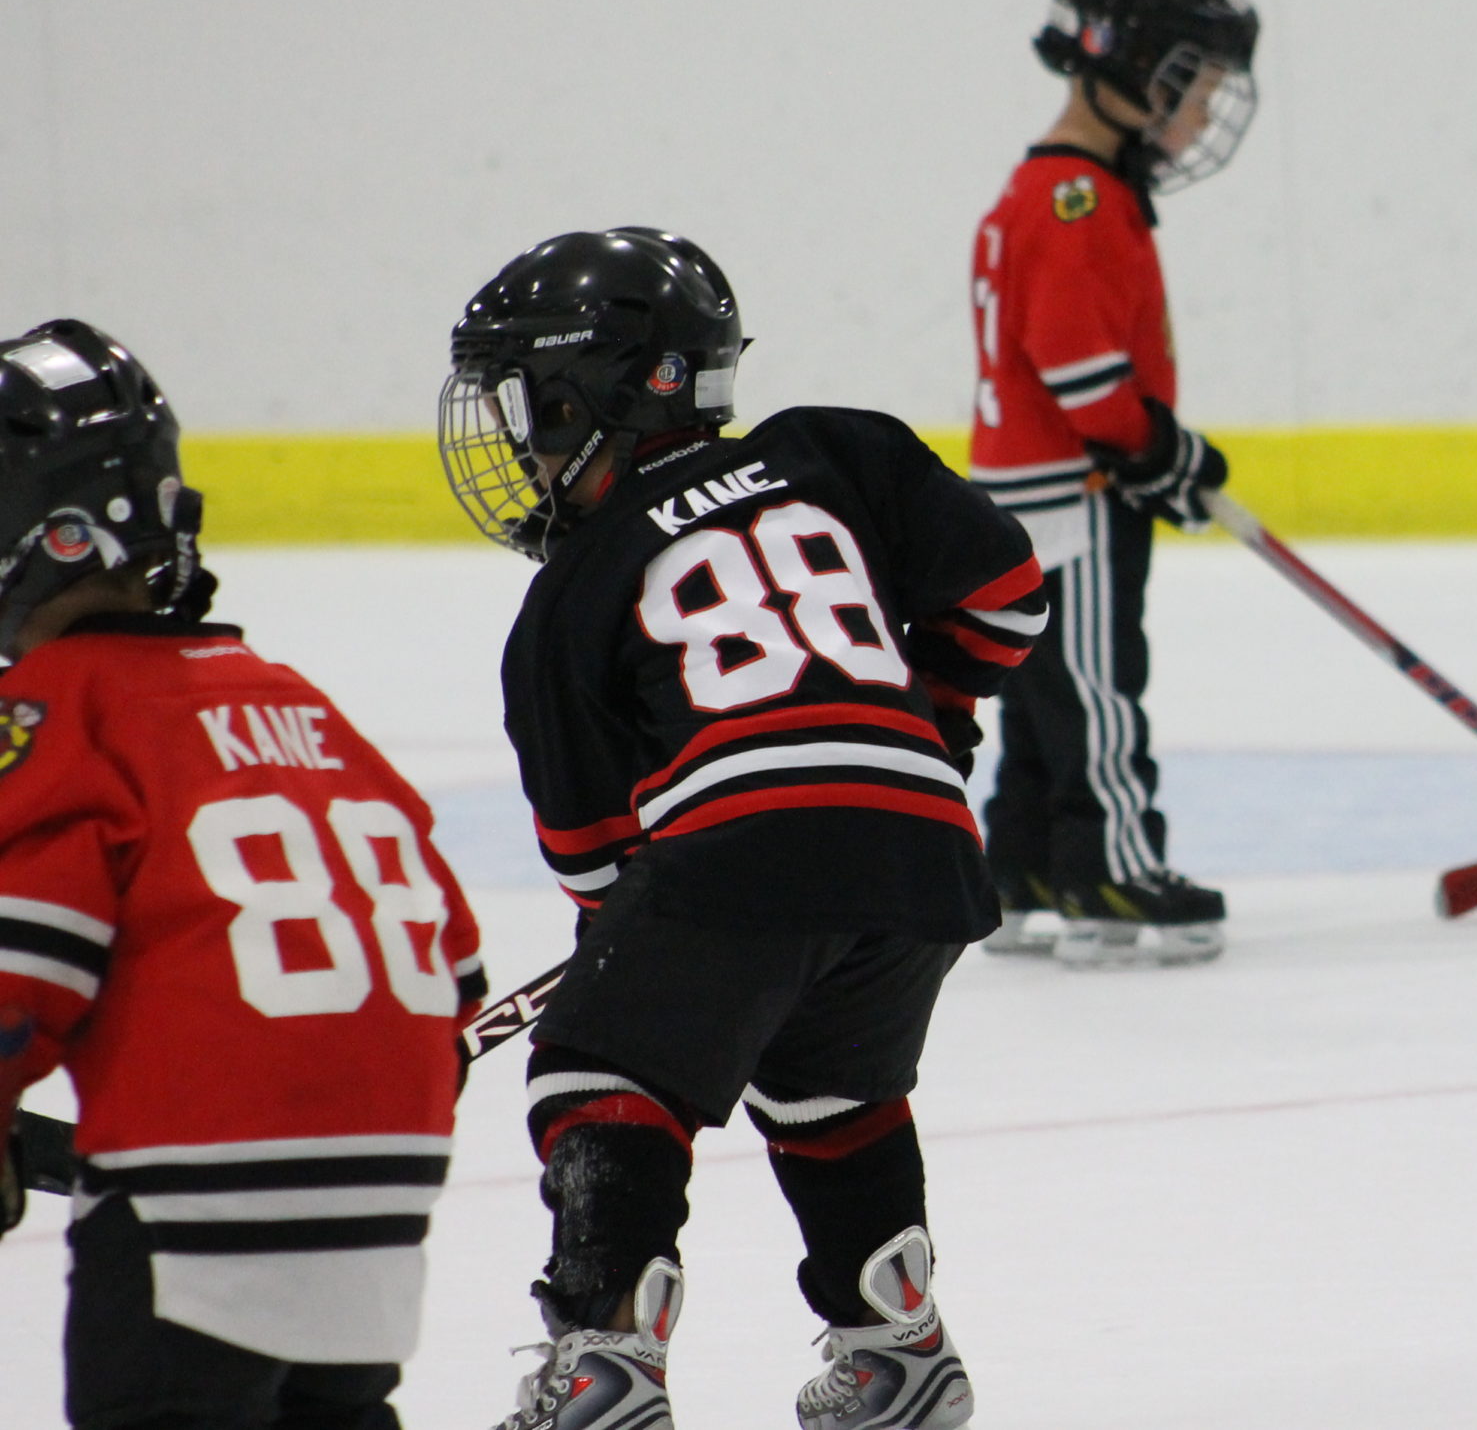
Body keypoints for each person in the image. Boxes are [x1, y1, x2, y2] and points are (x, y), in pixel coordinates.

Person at [438, 230, 1045, 1430]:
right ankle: (900, 1355)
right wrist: (922, 727)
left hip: (739, 850)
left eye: (526, 407)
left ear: (585, 396)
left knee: (600, 1067)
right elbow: (1005, 602)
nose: (519, 444)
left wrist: (641, 964)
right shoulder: (838, 450)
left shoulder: (572, 592)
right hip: (922, 849)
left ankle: (606, 1362)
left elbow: (599, 868)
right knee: (829, 1085)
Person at [0, 318, 486, 1429]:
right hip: (384, 1212)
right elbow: (454, 970)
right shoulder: (297, 702)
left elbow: (20, 972)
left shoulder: (59, 708)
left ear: (52, 535)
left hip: (188, 1218)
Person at [965, 0, 1257, 967]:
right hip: (1073, 500)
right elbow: (1083, 377)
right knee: (1093, 688)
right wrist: (1161, 452)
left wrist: (1158, 455)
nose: (1204, 114)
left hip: (1025, 497)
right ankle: (1114, 869)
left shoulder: (1049, 188)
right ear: (1130, 65)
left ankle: (1027, 869)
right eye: (1194, 85)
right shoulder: (1074, 199)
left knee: (1044, 700)